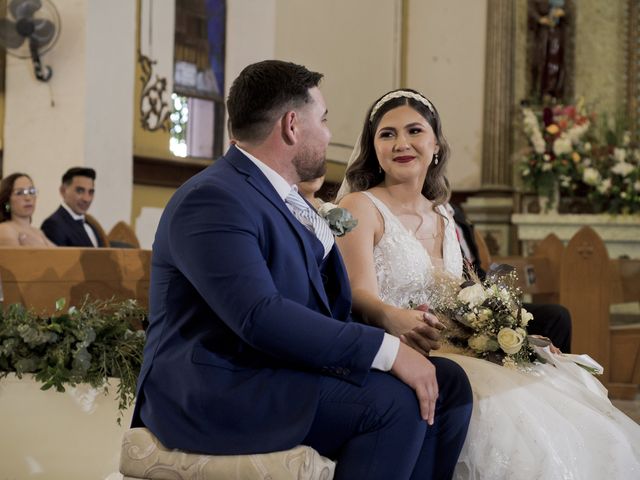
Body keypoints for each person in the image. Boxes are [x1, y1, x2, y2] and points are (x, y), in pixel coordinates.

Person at [131, 61, 472, 480]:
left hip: (275, 368)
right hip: (219, 388)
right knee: (391, 404)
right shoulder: (213, 198)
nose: (329, 134)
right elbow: (260, 316)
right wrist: (385, 352)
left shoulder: (280, 197)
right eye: (323, 119)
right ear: (293, 125)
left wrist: (392, 331)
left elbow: (320, 305)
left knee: (448, 384)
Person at [336, 88, 640, 479]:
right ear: (373, 147)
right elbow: (357, 294)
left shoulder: (443, 215)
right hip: (401, 352)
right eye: (387, 134)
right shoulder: (361, 206)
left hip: (453, 348)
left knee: (555, 393)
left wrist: (511, 337)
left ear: (436, 145)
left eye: (414, 131)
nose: (401, 144)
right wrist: (393, 316)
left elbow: (462, 301)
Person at [449, 201, 572, 352]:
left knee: (557, 316)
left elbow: (476, 267)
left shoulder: (456, 213)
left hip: (483, 294)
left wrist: (495, 297)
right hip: (459, 300)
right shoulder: (436, 219)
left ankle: (554, 371)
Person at [41, 167, 104, 247]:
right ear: (63, 191)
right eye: (80, 191)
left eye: (90, 192)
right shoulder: (53, 225)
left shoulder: (90, 224)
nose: (86, 198)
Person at [0, 173, 55, 247]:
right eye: (19, 193)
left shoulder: (38, 232)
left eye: (32, 191)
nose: (28, 198)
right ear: (7, 201)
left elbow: (62, 256)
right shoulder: (5, 229)